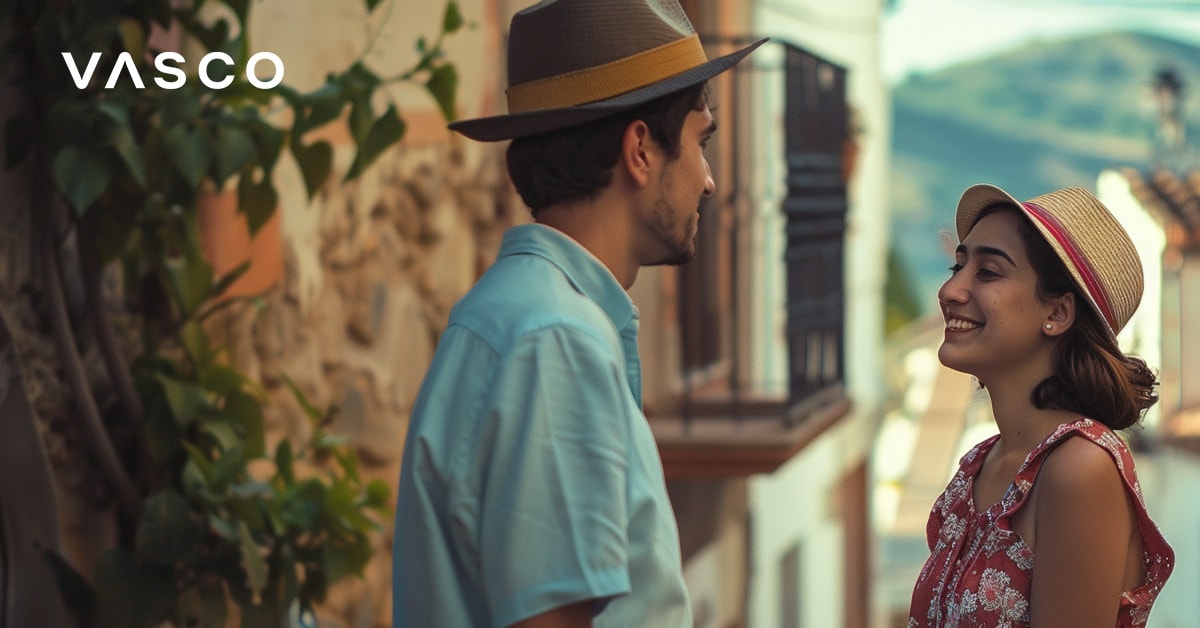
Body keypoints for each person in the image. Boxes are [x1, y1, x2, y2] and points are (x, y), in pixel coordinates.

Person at [392, 1, 765, 626]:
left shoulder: (525, 317)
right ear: (640, 150)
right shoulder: (554, 339)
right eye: (701, 142)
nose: (708, 180)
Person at [907, 184, 1175, 626]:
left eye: (988, 272)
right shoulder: (980, 464)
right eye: (958, 265)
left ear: (1058, 314)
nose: (951, 289)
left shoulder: (1079, 467)